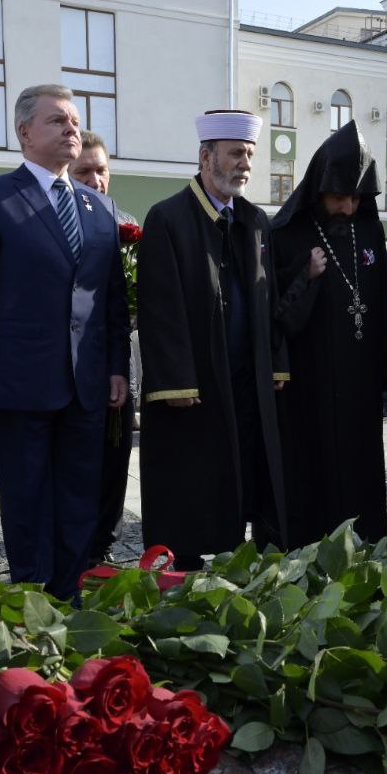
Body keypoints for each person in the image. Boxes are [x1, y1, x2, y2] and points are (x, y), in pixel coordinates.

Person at [0, 84, 130, 600]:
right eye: (57, 121)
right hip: (18, 383)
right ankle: (30, 595)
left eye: (74, 121)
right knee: (26, 497)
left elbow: (111, 299)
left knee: (78, 496)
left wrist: (117, 366)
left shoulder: (98, 207)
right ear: (25, 133)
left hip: (86, 383)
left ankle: (68, 594)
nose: (72, 129)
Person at [136, 110, 289, 568]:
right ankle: (185, 560)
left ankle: (239, 555)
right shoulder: (167, 217)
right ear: (206, 157)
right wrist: (176, 380)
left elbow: (270, 296)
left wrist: (276, 363)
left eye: (250, 155)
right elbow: (159, 307)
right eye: (236, 154)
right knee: (194, 473)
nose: (245, 164)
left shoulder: (256, 220)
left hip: (247, 372)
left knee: (247, 467)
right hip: (196, 380)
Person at [270, 120, 387, 547]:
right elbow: (279, 317)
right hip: (311, 382)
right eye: (339, 196)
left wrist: (385, 372)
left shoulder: (371, 230)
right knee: (315, 468)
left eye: (356, 197)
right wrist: (306, 277)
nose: (348, 206)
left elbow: (382, 307)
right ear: (319, 190)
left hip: (359, 382)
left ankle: (367, 544)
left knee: (361, 467)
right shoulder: (288, 235)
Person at [72, 129, 136, 564]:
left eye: (101, 170)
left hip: (121, 359)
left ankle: (106, 543)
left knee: (117, 454)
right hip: (76, 365)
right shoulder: (58, 221)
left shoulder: (124, 221)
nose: (95, 179)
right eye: (84, 171)